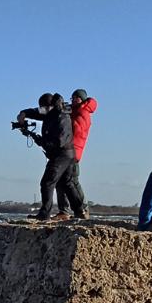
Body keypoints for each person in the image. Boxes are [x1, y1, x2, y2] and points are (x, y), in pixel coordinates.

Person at [16, 93, 85, 222]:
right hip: (67, 153)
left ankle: (45, 214)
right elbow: (36, 112)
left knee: (47, 182)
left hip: (62, 154)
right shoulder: (52, 113)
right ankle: (80, 211)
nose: (41, 110)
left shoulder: (61, 117)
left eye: (43, 107)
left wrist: (41, 140)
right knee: (67, 183)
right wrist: (23, 114)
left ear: (50, 106)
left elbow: (59, 142)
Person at [57, 89, 98, 219]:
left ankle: (82, 208)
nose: (74, 100)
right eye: (73, 98)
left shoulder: (83, 112)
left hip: (74, 151)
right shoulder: (72, 110)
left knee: (72, 181)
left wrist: (65, 120)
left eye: (77, 98)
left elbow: (77, 131)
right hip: (66, 150)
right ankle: (64, 210)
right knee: (60, 180)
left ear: (83, 100)